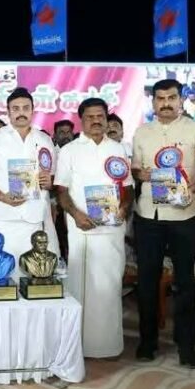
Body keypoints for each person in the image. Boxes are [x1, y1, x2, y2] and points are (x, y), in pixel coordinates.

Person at [132, 80, 195, 366]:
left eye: (171, 98)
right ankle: (147, 342)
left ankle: (186, 346)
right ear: (153, 102)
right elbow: (135, 168)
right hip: (148, 216)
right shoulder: (142, 132)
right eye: (160, 98)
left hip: (184, 215)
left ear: (181, 100)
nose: (166, 103)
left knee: (184, 282)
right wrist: (141, 175)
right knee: (147, 280)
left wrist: (191, 189)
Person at [55, 98, 133, 358]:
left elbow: (128, 189)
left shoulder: (118, 148)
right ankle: (80, 345)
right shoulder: (70, 151)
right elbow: (61, 190)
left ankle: (109, 345)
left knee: (110, 287)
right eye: (90, 117)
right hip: (83, 229)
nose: (96, 121)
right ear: (81, 120)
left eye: (100, 116)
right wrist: (76, 214)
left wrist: (123, 208)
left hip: (112, 230)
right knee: (84, 287)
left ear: (107, 118)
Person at [0, 87, 59, 259]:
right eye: (16, 108)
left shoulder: (44, 140)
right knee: (4, 266)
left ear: (32, 110)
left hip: (35, 214)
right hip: (3, 214)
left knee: (34, 268)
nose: (21, 113)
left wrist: (49, 182)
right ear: (8, 112)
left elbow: (51, 176)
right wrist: (2, 196)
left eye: (25, 108)